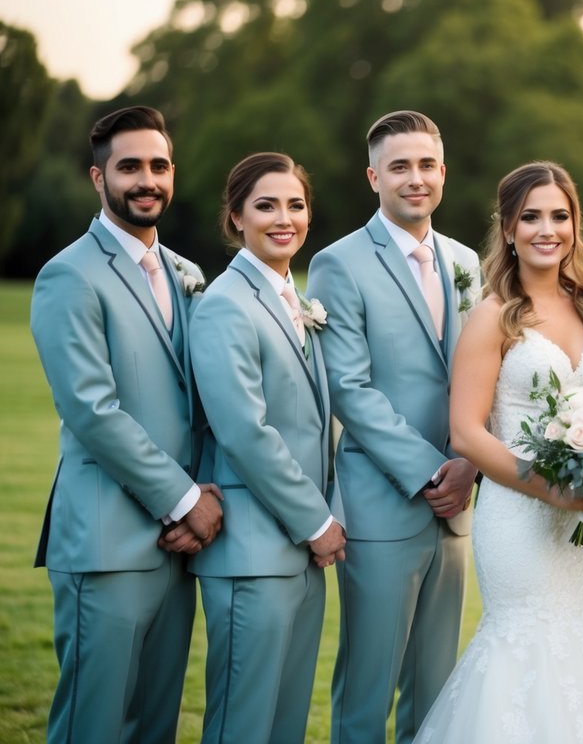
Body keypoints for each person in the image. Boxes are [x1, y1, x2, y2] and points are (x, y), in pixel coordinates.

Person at [415, 161, 583, 743]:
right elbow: (467, 433)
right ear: (507, 229)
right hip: (519, 517)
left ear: (576, 226)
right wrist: (550, 487)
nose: (545, 229)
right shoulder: (491, 315)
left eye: (560, 215)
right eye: (530, 216)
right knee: (526, 647)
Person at [30, 105, 222, 743]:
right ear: (97, 177)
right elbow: (92, 409)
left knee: (155, 725)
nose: (148, 179)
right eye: (130, 166)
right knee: (95, 722)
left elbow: (208, 405)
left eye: (159, 165)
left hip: (182, 546)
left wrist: (205, 499)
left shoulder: (188, 276)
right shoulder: (68, 276)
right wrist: (185, 500)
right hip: (107, 539)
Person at [307, 110, 479, 743]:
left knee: (437, 689)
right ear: (373, 175)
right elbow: (349, 389)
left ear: (443, 172)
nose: (416, 178)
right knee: (367, 688)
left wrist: (469, 466)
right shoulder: (338, 263)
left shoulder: (466, 261)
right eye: (400, 167)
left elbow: (480, 377)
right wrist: (431, 470)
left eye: (427, 165)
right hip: (382, 505)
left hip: (458, 504)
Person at [189, 152, 346, 742]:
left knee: (284, 725)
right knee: (243, 724)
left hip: (299, 552)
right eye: (266, 205)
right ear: (235, 218)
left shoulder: (293, 299)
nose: (285, 218)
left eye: (296, 205)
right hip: (254, 549)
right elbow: (244, 431)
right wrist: (316, 520)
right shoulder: (226, 305)